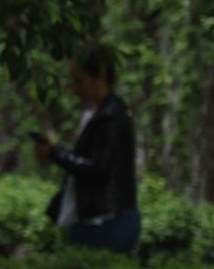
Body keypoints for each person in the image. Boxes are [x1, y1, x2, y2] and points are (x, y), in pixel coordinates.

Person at [34, 43, 140, 255]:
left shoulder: (111, 117)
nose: (75, 89)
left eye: (79, 81)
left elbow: (97, 170)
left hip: (106, 221)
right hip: (96, 219)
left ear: (98, 77)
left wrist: (55, 153)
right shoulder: (98, 114)